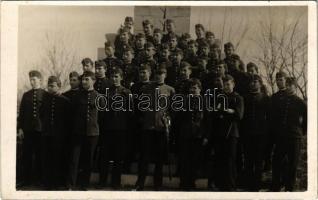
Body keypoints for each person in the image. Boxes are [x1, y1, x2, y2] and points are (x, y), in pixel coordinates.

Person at [134, 65, 175, 191]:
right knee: (144, 157)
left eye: (162, 74)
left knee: (159, 158)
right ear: (154, 75)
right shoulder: (145, 88)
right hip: (148, 127)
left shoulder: (170, 90)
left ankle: (158, 184)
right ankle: (140, 183)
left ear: (165, 75)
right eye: (157, 74)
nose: (159, 76)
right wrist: (142, 119)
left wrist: (168, 120)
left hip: (161, 128)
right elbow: (139, 107)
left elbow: (173, 109)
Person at [205, 74, 244, 191]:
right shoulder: (219, 97)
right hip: (219, 133)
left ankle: (231, 186)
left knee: (230, 160)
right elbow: (213, 113)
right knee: (219, 159)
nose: (226, 87)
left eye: (228, 84)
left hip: (231, 133)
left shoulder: (238, 98)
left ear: (233, 84)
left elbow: (239, 115)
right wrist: (225, 111)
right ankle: (220, 185)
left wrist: (226, 110)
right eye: (224, 84)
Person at [270, 73, 307, 191]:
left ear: (295, 87)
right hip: (281, 137)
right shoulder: (280, 100)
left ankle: (289, 188)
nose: (288, 87)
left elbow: (307, 120)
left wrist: (301, 133)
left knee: (293, 164)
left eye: (291, 85)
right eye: (287, 85)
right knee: (276, 162)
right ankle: (275, 186)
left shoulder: (300, 102)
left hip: (295, 137)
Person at [67, 71, 103, 190]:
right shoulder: (77, 96)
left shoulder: (99, 97)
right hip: (78, 133)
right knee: (74, 160)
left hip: (92, 134)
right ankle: (71, 185)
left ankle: (84, 185)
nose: (84, 82)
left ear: (93, 80)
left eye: (87, 79)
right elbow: (71, 114)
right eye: (83, 79)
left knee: (88, 161)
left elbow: (102, 117)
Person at [99, 68, 132, 189]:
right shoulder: (105, 91)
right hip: (107, 129)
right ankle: (102, 182)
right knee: (105, 156)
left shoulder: (126, 92)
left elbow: (130, 112)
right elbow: (101, 110)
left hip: (121, 129)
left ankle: (115, 182)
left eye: (117, 76)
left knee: (118, 157)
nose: (114, 79)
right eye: (113, 76)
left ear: (121, 78)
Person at [17, 70, 48, 187]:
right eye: (30, 79)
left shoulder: (45, 94)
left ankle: (40, 179)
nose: (32, 81)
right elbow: (22, 114)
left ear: (40, 80)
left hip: (41, 130)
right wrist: (20, 129)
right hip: (28, 130)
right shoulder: (26, 95)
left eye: (34, 79)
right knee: (27, 155)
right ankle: (27, 180)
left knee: (41, 155)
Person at [40, 76, 71, 190]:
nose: (50, 88)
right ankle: (47, 182)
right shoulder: (45, 100)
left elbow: (68, 121)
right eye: (49, 85)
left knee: (58, 158)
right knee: (47, 158)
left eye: (52, 86)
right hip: (47, 134)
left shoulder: (65, 101)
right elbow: (42, 115)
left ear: (59, 86)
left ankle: (57, 183)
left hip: (60, 136)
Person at [241, 75, 270, 191]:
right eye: (251, 82)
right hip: (247, 133)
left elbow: (269, 117)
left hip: (261, 134)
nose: (253, 84)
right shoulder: (245, 98)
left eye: (255, 82)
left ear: (260, 84)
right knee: (248, 160)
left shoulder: (265, 98)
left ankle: (256, 186)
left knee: (258, 161)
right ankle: (248, 185)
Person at [177, 78, 207, 191]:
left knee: (195, 160)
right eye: (191, 88)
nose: (193, 90)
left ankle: (192, 182)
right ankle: (183, 183)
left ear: (199, 89)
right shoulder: (184, 101)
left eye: (195, 88)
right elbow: (179, 119)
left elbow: (208, 121)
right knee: (185, 159)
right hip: (185, 135)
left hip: (198, 135)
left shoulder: (204, 101)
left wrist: (206, 136)